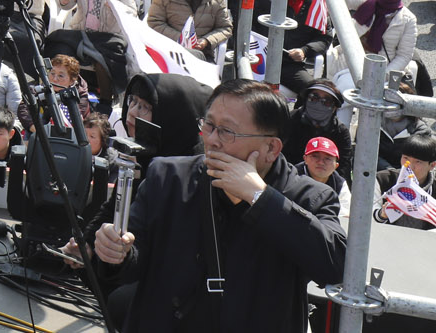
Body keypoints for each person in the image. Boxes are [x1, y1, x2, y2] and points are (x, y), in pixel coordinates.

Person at [92, 79, 346, 332]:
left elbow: (334, 266)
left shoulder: (309, 195)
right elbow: (131, 262)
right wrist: (115, 253)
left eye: (227, 132)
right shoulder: (168, 176)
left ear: (271, 147)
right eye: (208, 125)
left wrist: (261, 197)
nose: (212, 140)